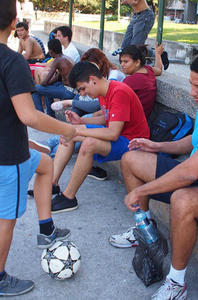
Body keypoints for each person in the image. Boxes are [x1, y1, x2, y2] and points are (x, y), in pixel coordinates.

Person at [109, 52, 198, 299]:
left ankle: (176, 283)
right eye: (191, 84)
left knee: (182, 199)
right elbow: (193, 142)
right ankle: (145, 233)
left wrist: (141, 190)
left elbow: (189, 171)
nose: (192, 92)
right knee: (131, 158)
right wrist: (156, 146)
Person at [0, 1, 76, 296]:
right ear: (14, 22)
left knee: (44, 164)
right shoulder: (11, 61)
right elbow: (28, 115)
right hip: (7, 157)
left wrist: (28, 141)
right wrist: (69, 129)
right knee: (7, 219)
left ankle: (47, 230)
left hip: (15, 147)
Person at [50, 61, 150, 213]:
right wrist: (81, 121)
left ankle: (69, 198)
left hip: (134, 142)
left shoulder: (119, 91)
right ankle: (52, 184)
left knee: (87, 142)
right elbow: (106, 118)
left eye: (82, 88)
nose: (82, 94)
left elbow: (112, 133)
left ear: (93, 79)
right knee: (69, 133)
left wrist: (77, 130)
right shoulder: (103, 90)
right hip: (121, 136)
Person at [51, 48, 126, 116]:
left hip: (105, 110)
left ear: (100, 63)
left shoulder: (113, 77)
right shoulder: (98, 79)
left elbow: (98, 106)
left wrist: (70, 103)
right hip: (104, 109)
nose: (87, 70)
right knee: (78, 102)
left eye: (91, 66)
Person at [112, 0, 169, 70]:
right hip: (135, 16)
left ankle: (158, 54)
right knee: (125, 49)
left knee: (134, 49)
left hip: (145, 16)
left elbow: (134, 2)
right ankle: (155, 54)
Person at [32, 39, 75, 117]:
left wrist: (41, 84)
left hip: (68, 91)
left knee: (34, 89)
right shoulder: (65, 58)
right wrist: (46, 85)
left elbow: (45, 82)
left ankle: (40, 117)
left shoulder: (57, 60)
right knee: (48, 89)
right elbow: (57, 77)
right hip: (70, 89)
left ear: (51, 51)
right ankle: (50, 115)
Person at [120, 43, 163, 119]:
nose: (122, 65)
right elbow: (159, 70)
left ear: (137, 62)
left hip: (130, 123)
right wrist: (158, 54)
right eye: (121, 61)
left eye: (126, 62)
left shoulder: (130, 81)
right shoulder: (148, 70)